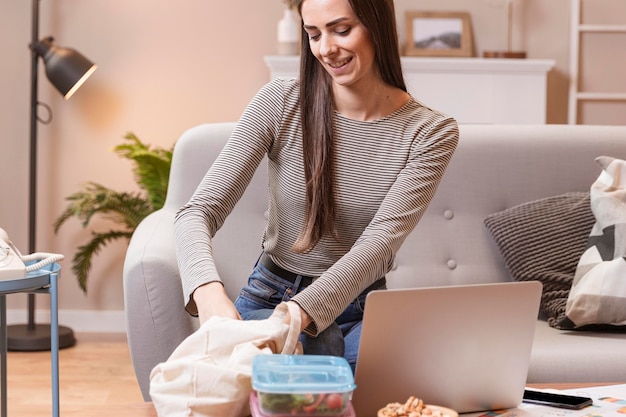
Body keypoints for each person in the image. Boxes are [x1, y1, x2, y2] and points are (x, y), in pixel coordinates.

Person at [173, 0, 459, 372]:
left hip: (359, 307)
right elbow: (197, 212)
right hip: (272, 296)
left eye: (341, 30)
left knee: (382, 394)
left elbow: (379, 245)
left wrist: (299, 313)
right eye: (314, 34)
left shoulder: (430, 132)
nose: (325, 48)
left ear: (378, 25)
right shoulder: (280, 102)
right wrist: (209, 295)